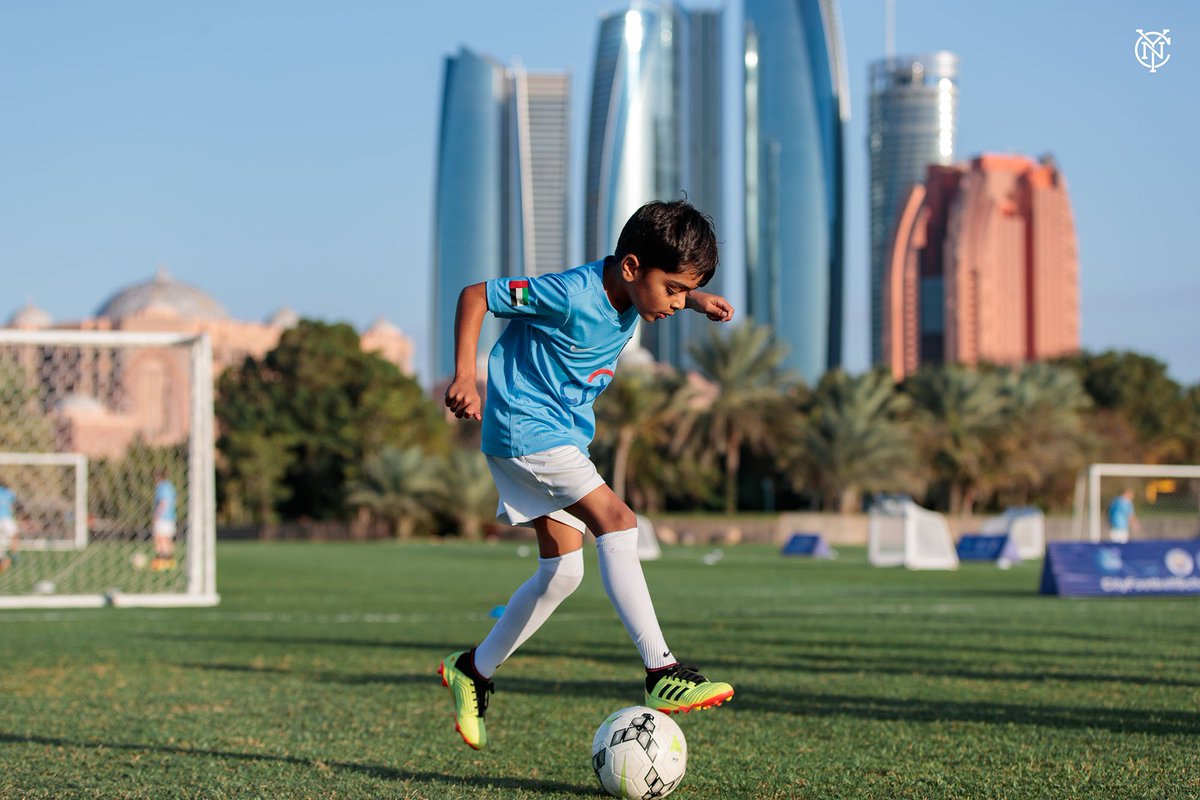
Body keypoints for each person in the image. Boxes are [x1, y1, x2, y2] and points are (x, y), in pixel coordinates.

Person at [438, 200, 736, 751]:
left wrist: (694, 298)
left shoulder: (635, 289)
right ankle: (660, 672)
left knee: (562, 573)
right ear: (630, 267)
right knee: (619, 520)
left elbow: (657, 282)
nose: (673, 302)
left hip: (561, 435)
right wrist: (464, 375)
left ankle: (472, 671)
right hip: (526, 427)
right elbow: (476, 295)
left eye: (680, 291)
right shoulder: (570, 293)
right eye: (671, 288)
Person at [151, 471, 177, 570]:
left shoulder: (161, 487)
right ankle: (170, 561)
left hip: (163, 517)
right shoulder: (170, 486)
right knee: (167, 539)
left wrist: (156, 515)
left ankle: (161, 561)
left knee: (159, 538)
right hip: (171, 517)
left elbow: (163, 502)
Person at [0, 482, 18, 574]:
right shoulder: (8, 492)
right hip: (6, 518)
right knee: (14, 535)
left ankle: (8, 558)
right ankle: (15, 555)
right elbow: (14, 503)